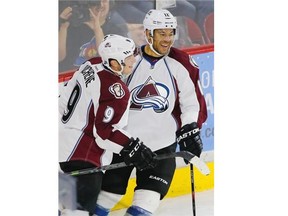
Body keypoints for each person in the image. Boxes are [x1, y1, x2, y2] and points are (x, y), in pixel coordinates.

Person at [94, 9, 208, 216]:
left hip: (162, 148)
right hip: (124, 146)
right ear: (148, 34)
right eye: (161, 33)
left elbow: (192, 104)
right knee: (100, 204)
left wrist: (190, 126)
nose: (168, 39)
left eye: (171, 33)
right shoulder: (128, 61)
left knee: (143, 209)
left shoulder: (180, 64)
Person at [58, 34, 157, 215]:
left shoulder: (90, 64)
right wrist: (133, 147)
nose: (133, 60)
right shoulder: (116, 91)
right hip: (83, 156)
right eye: (128, 57)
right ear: (114, 62)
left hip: (61, 145)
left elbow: (62, 99)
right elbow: (104, 133)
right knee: (78, 211)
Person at [59, 0, 128, 73]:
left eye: (104, 1)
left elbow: (109, 60)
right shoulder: (71, 26)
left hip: (100, 77)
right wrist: (62, 26)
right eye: (96, 1)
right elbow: (59, 57)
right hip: (69, 77)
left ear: (110, 3)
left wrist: (97, 29)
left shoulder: (116, 31)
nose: (100, 5)